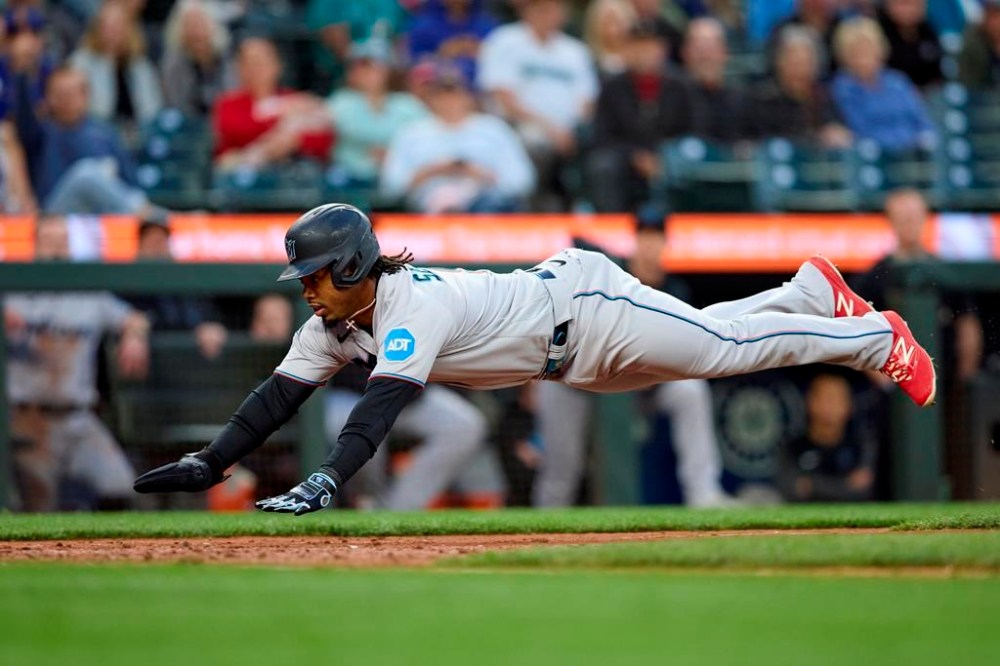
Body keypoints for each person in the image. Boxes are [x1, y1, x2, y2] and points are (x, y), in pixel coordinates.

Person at [133, 203, 937, 514]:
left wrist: (326, 480)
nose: (305, 290)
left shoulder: (410, 302)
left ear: (347, 267)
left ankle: (873, 338)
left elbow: (381, 407)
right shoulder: (331, 323)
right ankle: (807, 293)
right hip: (572, 360)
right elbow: (276, 399)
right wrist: (212, 463)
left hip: (583, 309)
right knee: (708, 340)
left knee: (721, 351)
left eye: (312, 275)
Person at [533, 216, 735, 508]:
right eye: (645, 236)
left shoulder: (674, 291)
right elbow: (575, 242)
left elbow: (684, 350)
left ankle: (704, 492)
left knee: (690, 391)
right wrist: (613, 260)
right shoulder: (616, 272)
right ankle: (543, 523)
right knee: (563, 468)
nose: (650, 244)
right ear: (636, 240)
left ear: (665, 243)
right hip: (578, 384)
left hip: (641, 383)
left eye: (656, 237)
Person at [6, 215, 150, 511]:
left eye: (62, 241)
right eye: (49, 241)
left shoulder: (88, 292)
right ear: (35, 246)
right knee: (38, 506)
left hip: (79, 420)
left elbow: (134, 318)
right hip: (28, 422)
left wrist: (134, 335)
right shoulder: (13, 291)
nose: (57, 249)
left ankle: (114, 556)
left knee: (120, 485)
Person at [477, 0, 598, 209]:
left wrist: (572, 128)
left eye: (555, 8)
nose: (548, 14)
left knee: (599, 147)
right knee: (534, 144)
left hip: (569, 130)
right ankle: (535, 208)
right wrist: (550, 129)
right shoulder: (505, 41)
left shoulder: (575, 50)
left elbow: (587, 100)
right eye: (541, 8)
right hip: (519, 125)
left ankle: (580, 210)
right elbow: (503, 96)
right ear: (527, 11)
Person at [380, 61, 535, 213]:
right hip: (425, 209)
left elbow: (521, 181)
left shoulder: (494, 130)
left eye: (455, 94)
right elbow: (391, 185)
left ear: (469, 96)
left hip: (484, 206)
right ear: (431, 99)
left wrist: (481, 174)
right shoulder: (411, 133)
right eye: (442, 95)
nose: (449, 101)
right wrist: (430, 172)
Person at [13, 65, 161, 215]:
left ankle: (153, 219)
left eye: (71, 94)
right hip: (57, 215)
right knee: (86, 173)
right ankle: (154, 218)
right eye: (59, 94)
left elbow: (130, 181)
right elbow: (22, 118)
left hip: (104, 215)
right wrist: (23, 72)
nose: (65, 101)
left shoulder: (105, 132)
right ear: (48, 98)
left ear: (86, 95)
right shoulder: (41, 133)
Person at [587, 19, 699, 212]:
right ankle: (612, 227)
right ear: (628, 50)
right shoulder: (612, 87)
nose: (645, 52)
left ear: (663, 49)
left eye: (651, 45)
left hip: (669, 159)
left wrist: (663, 156)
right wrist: (635, 156)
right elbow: (602, 135)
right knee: (603, 166)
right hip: (626, 162)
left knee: (689, 162)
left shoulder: (681, 86)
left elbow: (693, 129)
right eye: (639, 46)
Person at [212, 37, 333, 172]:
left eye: (262, 62)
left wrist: (295, 142)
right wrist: (278, 138)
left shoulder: (294, 98)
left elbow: (324, 139)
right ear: (240, 68)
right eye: (249, 63)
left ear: (277, 65)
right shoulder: (228, 104)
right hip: (245, 178)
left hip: (292, 173)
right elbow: (236, 132)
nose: (256, 69)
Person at [326, 40, 427, 188]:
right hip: (349, 174)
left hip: (397, 175)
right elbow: (345, 129)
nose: (369, 74)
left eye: (375, 68)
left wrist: (394, 154)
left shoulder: (407, 104)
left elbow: (426, 136)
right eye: (362, 68)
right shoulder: (341, 101)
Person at [829, 17, 937, 153]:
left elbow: (921, 121)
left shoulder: (898, 82)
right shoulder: (843, 87)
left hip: (912, 153)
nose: (863, 57)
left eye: (868, 49)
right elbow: (859, 129)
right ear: (845, 55)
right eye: (857, 51)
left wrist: (923, 139)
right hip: (874, 155)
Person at [125, 218, 228, 359]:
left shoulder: (185, 281)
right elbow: (124, 316)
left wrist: (209, 325)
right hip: (149, 363)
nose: (156, 248)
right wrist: (132, 331)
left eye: (161, 241)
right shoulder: (128, 284)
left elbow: (206, 314)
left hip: (186, 361)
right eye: (151, 242)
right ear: (140, 247)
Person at [777, 372, 876, 502]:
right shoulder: (793, 446)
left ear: (849, 405)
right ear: (810, 401)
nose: (831, 405)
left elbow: (863, 490)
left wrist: (813, 485)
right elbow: (792, 489)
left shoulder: (861, 446)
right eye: (826, 398)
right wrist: (844, 485)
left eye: (837, 398)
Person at [749, 25, 852, 147]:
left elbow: (836, 128)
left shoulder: (823, 97)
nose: (800, 70)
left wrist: (837, 133)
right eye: (794, 63)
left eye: (806, 63)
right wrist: (817, 139)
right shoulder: (763, 98)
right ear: (779, 63)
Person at [69, 0, 163, 125]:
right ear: (97, 30)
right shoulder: (81, 63)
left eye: (118, 27)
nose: (113, 33)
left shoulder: (140, 66)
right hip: (100, 131)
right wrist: (108, 62)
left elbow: (152, 110)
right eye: (108, 28)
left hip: (138, 131)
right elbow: (96, 110)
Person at [159, 0, 236, 117]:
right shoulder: (173, 64)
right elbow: (176, 105)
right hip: (189, 126)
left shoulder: (228, 58)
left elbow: (233, 96)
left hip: (226, 122)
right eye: (190, 26)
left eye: (201, 25)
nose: (197, 33)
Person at [681, 17, 751, 144]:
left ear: (725, 53)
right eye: (699, 49)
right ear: (685, 53)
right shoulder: (671, 99)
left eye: (711, 48)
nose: (706, 56)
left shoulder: (742, 101)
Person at [408, 0, 498, 84]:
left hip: (481, 85)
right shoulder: (424, 28)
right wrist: (441, 54)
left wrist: (481, 51)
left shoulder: (487, 26)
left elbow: (498, 60)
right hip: (438, 85)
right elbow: (415, 62)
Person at [876, 0, 943, 89]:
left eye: (916, 4)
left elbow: (937, 69)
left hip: (930, 90)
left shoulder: (928, 29)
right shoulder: (877, 32)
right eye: (904, 4)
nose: (910, 10)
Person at [958, 0, 1000, 90]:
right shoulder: (972, 43)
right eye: (993, 17)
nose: (996, 23)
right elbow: (970, 83)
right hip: (982, 97)